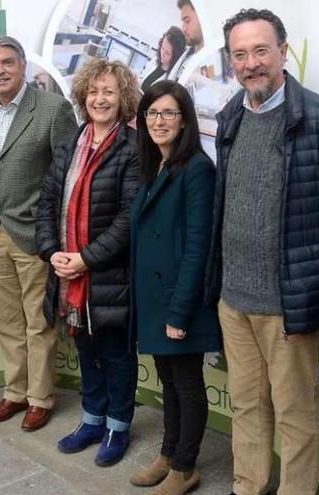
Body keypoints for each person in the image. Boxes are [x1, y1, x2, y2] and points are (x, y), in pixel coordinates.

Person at [207, 9, 319, 495]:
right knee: (246, 404)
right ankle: (248, 486)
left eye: (261, 50)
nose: (251, 63)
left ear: (283, 52)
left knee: (296, 413)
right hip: (235, 300)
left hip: (290, 305)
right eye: (240, 54)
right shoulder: (230, 117)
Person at [0, 36, 79, 432]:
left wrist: (55, 232)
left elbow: (67, 174)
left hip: (34, 233)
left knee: (38, 321)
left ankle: (40, 398)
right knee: (7, 320)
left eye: (7, 63)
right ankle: (15, 392)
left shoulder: (52, 110)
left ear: (23, 66)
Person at [36, 59, 141, 466]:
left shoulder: (133, 148)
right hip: (68, 277)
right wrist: (52, 252)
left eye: (109, 92)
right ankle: (92, 419)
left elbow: (128, 218)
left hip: (109, 277)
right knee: (85, 351)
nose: (100, 99)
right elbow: (47, 202)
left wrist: (85, 259)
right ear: (82, 96)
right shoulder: (70, 143)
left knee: (115, 353)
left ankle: (118, 426)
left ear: (123, 98)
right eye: (94, 91)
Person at [129, 80, 220, 495]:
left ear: (185, 121)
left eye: (168, 113)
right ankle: (168, 454)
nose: (159, 121)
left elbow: (199, 245)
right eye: (152, 113)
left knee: (186, 382)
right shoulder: (156, 166)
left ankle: (186, 467)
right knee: (167, 380)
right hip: (156, 298)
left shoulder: (197, 169)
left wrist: (180, 312)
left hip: (181, 300)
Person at [169, 0, 205, 82]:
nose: (183, 29)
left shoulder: (213, 61)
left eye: (187, 21)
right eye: (183, 22)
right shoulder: (188, 55)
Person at [141, 27, 186, 92]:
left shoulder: (171, 79)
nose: (162, 54)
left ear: (175, 56)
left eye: (167, 53)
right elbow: (142, 80)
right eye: (162, 48)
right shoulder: (154, 61)